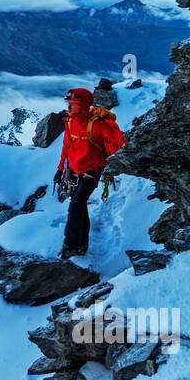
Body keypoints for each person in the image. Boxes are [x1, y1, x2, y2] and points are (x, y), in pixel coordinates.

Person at [54, 87, 124, 259]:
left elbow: (118, 139)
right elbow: (67, 148)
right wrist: (60, 169)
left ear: (83, 105)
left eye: (73, 104)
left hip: (93, 170)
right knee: (80, 205)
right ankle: (81, 245)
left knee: (76, 204)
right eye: (69, 103)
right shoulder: (70, 123)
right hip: (75, 170)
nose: (69, 107)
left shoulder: (97, 124)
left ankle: (70, 245)